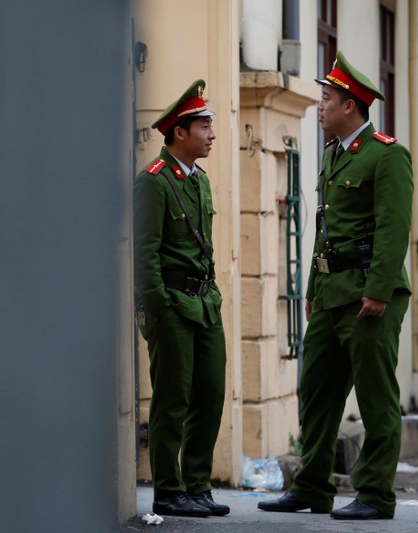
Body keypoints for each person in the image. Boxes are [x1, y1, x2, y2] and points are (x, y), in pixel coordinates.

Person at [258, 50, 414, 520]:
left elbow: (393, 228)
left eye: (326, 98)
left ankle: (375, 494)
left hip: (369, 293)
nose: (319, 105)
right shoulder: (332, 155)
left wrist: (380, 291)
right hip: (330, 294)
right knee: (317, 391)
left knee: (375, 396)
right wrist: (311, 290)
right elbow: (323, 229)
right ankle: (311, 487)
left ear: (350, 106)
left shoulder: (387, 156)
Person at [133, 79, 228, 518]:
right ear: (179, 133)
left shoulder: (199, 182)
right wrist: (157, 308)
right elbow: (144, 252)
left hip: (205, 303)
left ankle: (197, 486)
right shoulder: (153, 182)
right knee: (172, 400)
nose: (211, 133)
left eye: (210, 124)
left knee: (209, 395)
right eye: (204, 125)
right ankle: (168, 490)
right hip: (171, 305)